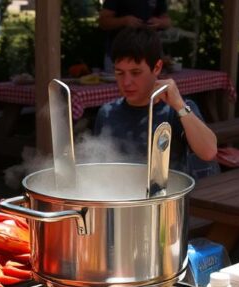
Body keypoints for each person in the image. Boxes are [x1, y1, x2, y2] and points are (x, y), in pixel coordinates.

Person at [92, 26, 219, 179]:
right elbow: (98, 165)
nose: (126, 82)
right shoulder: (107, 113)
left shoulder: (175, 111)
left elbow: (209, 152)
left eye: (136, 73)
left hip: (167, 198)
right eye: (119, 73)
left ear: (157, 67)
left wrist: (179, 105)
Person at [98, 1, 171, 72]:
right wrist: (124, 21)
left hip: (149, 55)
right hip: (119, 55)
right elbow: (103, 21)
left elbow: (167, 22)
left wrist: (159, 22)